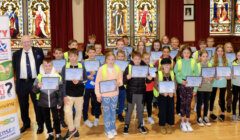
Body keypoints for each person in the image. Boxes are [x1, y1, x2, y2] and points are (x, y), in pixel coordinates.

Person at [12, 35, 44, 134]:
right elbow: (13, 68)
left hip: (35, 82)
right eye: (24, 42)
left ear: (31, 42)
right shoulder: (16, 54)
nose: (26, 44)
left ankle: (40, 125)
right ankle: (26, 124)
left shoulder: (38, 51)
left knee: (38, 104)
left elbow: (43, 65)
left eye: (28, 41)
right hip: (21, 83)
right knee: (23, 105)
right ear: (21, 43)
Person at [32, 56, 63, 140]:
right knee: (46, 118)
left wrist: (60, 102)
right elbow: (34, 91)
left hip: (54, 102)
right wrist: (38, 86)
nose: (47, 67)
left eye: (49, 65)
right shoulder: (39, 77)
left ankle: (58, 134)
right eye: (45, 65)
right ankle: (50, 133)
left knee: (56, 118)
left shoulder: (58, 76)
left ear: (52, 66)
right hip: (43, 103)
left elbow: (60, 91)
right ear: (42, 66)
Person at [95, 52, 122, 139]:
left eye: (113, 59)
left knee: (113, 112)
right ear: (106, 60)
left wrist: (119, 83)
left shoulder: (118, 68)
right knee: (107, 113)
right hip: (105, 95)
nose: (111, 61)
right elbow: (97, 83)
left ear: (115, 60)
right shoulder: (101, 69)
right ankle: (107, 130)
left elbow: (120, 80)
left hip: (114, 94)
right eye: (109, 59)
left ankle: (113, 128)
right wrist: (98, 95)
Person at [123, 51, 152, 134]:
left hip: (141, 92)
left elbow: (148, 80)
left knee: (140, 110)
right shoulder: (129, 67)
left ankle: (141, 125)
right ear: (132, 59)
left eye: (139, 59)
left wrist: (149, 78)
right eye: (135, 59)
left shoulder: (145, 67)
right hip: (131, 93)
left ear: (141, 59)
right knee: (129, 110)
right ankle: (126, 125)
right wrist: (127, 77)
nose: (137, 60)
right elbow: (123, 80)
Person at [62, 48, 87, 139]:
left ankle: (75, 130)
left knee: (78, 113)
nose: (73, 58)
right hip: (68, 94)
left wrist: (79, 81)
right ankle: (72, 129)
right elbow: (63, 83)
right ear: (68, 57)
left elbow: (85, 80)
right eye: (71, 56)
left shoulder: (81, 66)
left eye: (75, 56)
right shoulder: (65, 67)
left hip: (79, 94)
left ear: (77, 56)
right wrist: (64, 95)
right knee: (67, 111)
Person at [174, 45, 198, 132]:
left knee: (189, 103)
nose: (186, 54)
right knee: (183, 103)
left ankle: (188, 121)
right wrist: (181, 81)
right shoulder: (179, 62)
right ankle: (182, 122)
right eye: (185, 53)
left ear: (190, 53)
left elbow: (196, 75)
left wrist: (195, 89)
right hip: (182, 84)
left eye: (188, 53)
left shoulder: (193, 62)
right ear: (182, 53)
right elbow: (176, 73)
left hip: (191, 84)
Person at [154, 58, 175, 134]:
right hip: (162, 95)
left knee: (170, 109)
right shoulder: (158, 73)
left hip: (170, 95)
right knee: (162, 110)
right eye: (165, 64)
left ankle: (169, 124)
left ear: (170, 65)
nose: (166, 66)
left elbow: (175, 84)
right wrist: (162, 93)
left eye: (168, 64)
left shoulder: (172, 73)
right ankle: (162, 125)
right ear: (162, 65)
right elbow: (155, 85)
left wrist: (173, 92)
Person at [209, 45, 230, 122]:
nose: (220, 52)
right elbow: (210, 71)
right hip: (214, 81)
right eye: (218, 51)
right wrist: (214, 76)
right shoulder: (212, 60)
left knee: (222, 98)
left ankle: (222, 113)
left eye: (221, 51)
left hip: (223, 81)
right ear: (216, 52)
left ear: (223, 52)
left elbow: (228, 71)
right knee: (212, 97)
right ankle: (211, 112)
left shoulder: (226, 61)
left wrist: (228, 75)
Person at [83, 46, 101, 127]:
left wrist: (95, 75)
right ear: (87, 53)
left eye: (93, 52)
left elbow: (101, 74)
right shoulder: (83, 62)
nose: (92, 54)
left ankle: (96, 118)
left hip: (95, 87)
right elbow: (81, 74)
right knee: (85, 104)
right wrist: (87, 77)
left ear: (95, 53)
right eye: (89, 52)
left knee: (96, 103)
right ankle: (85, 119)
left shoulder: (98, 62)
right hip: (86, 86)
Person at [196, 50, 213, 127]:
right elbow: (195, 76)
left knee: (207, 102)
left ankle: (205, 116)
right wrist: (201, 79)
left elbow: (213, 75)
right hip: (200, 86)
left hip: (208, 86)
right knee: (199, 103)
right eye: (203, 56)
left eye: (206, 56)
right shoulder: (197, 65)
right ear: (200, 57)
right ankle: (199, 117)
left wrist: (211, 78)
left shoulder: (210, 65)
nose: (205, 58)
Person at [52, 47, 68, 128]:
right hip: (54, 87)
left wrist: (61, 72)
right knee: (54, 105)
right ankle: (55, 122)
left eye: (60, 53)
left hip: (63, 86)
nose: (58, 55)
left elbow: (68, 74)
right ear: (53, 54)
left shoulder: (66, 63)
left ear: (62, 54)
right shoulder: (51, 63)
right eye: (56, 53)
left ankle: (62, 120)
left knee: (61, 104)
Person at [142, 52, 155, 124]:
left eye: (148, 59)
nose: (147, 60)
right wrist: (147, 78)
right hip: (142, 89)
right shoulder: (140, 67)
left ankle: (149, 116)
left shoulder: (151, 67)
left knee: (149, 104)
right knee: (142, 104)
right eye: (145, 59)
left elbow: (153, 78)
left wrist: (151, 78)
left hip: (150, 89)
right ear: (142, 59)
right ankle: (141, 118)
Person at [116, 50, 127, 122]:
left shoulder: (126, 65)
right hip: (115, 86)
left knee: (122, 100)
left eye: (122, 56)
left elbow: (128, 76)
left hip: (123, 86)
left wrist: (124, 73)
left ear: (124, 57)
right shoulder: (114, 64)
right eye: (119, 56)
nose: (120, 58)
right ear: (116, 57)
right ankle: (115, 112)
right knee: (115, 100)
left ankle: (120, 113)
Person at [224, 42, 234, 113]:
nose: (229, 48)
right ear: (225, 48)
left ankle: (228, 104)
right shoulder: (222, 54)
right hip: (223, 75)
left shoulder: (234, 55)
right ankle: (221, 103)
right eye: (227, 47)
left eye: (230, 47)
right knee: (222, 91)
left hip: (230, 76)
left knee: (229, 91)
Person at [231, 51, 240, 121]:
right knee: (235, 99)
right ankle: (234, 114)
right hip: (235, 84)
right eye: (238, 55)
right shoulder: (233, 63)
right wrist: (232, 75)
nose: (239, 57)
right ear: (236, 56)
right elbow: (230, 73)